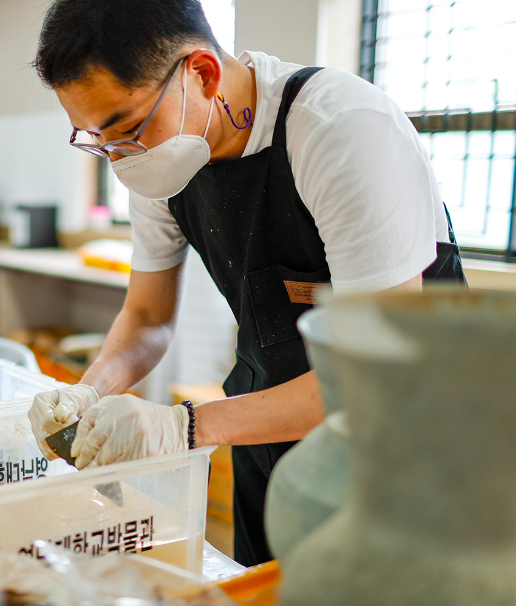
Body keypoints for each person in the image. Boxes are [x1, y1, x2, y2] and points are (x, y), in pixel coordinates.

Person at [27, 0, 466, 566]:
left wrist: (185, 426)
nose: (121, 159)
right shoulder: (163, 159)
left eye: (128, 129)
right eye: (98, 140)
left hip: (400, 445)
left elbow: (376, 374)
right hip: (267, 424)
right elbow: (146, 317)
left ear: (202, 74)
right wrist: (88, 392)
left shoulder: (338, 129)